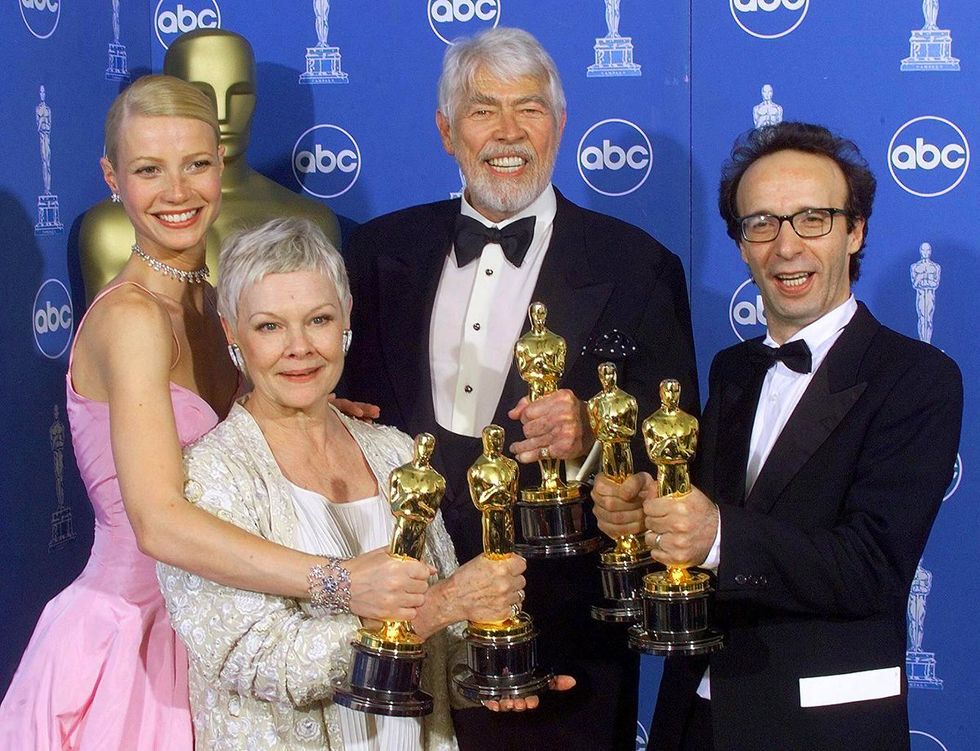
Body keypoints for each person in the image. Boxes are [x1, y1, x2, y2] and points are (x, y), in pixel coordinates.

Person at [0, 76, 391, 750]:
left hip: (228, 627)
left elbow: (234, 447)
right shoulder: (132, 318)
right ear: (112, 177)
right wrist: (339, 580)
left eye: (196, 164)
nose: (178, 192)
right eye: (150, 169)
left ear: (220, 163)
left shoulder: (215, 304)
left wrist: (308, 420)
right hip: (139, 644)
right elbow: (159, 521)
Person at [343, 26, 699, 751]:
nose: (509, 132)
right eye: (483, 110)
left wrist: (599, 431)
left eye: (530, 109)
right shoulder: (376, 252)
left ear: (561, 125)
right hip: (402, 617)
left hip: (563, 630)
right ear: (446, 130)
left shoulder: (638, 265)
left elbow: (682, 441)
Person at [592, 122, 963, 750]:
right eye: (761, 223)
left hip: (822, 726)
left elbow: (873, 567)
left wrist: (717, 535)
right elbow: (711, 525)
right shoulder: (732, 370)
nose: (785, 247)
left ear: (856, 231)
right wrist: (651, 509)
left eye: (812, 219)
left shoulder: (916, 377)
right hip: (695, 714)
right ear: (741, 245)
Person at [158, 217, 541, 749]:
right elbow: (257, 659)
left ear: (345, 322)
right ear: (231, 332)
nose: (299, 347)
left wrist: (491, 673)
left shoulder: (396, 452)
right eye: (270, 326)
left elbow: (445, 651)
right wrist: (440, 607)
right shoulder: (209, 474)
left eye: (318, 319)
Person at [79, 29, 341, 302]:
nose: (223, 112)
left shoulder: (311, 222)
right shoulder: (107, 230)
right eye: (200, 96)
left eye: (239, 94)